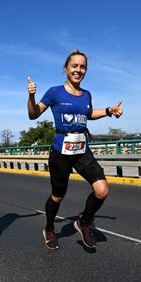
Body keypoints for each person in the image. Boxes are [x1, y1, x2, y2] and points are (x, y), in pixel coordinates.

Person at [27, 49, 123, 250]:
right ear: (66, 69)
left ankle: (84, 222)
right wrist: (31, 97)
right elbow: (33, 114)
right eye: (74, 66)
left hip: (81, 149)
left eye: (82, 67)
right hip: (61, 152)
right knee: (58, 196)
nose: (78, 70)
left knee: (102, 189)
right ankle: (50, 228)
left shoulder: (86, 94)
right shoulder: (55, 92)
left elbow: (88, 114)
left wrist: (108, 111)